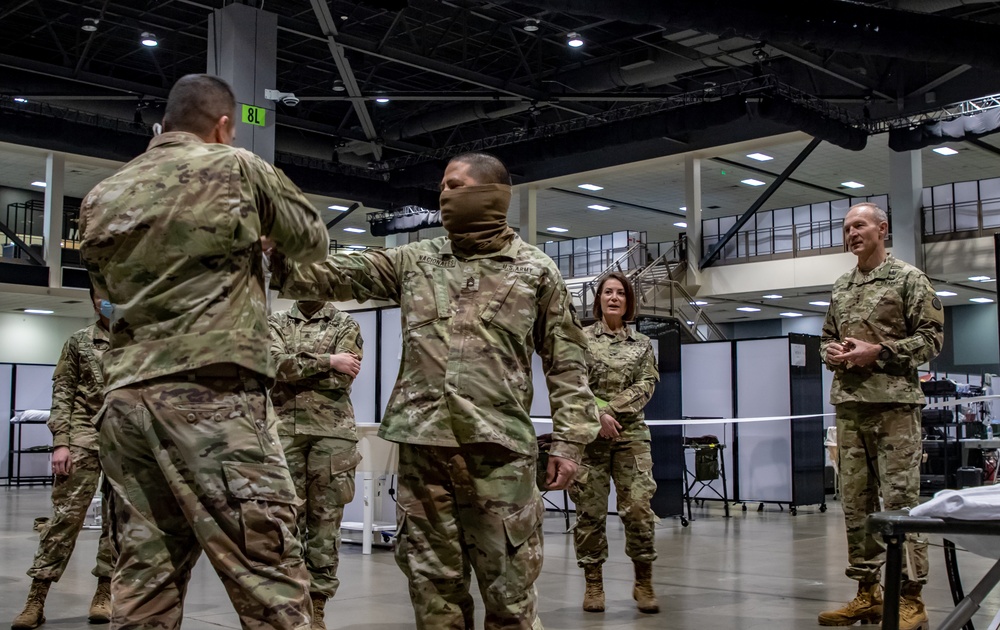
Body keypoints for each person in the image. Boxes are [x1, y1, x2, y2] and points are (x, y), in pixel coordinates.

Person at [271, 152, 599, 629]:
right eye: (442, 187)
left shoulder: (534, 271)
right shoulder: (415, 261)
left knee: (510, 594)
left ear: (491, 193)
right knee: (432, 593)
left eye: (454, 185)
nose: (443, 195)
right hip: (424, 456)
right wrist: (275, 247)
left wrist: (570, 443)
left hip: (498, 456)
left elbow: (568, 364)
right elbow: (333, 275)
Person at [79, 73, 329, 630]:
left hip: (124, 402)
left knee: (144, 577)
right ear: (223, 126)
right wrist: (263, 232)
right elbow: (312, 241)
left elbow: (102, 301)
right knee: (268, 573)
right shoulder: (236, 166)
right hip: (213, 398)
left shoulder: (102, 194)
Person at [818, 202, 944, 630]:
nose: (852, 233)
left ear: (882, 229)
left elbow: (931, 339)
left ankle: (912, 597)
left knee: (902, 504)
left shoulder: (910, 279)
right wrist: (831, 353)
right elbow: (827, 337)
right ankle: (866, 593)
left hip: (894, 408)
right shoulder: (840, 286)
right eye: (846, 227)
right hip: (850, 407)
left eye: (860, 225)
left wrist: (882, 351)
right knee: (856, 505)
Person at [12, 290, 115, 629]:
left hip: (128, 441)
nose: (109, 300)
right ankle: (36, 600)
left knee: (120, 524)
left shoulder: (142, 341)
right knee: (63, 521)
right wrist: (61, 443)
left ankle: (104, 594)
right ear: (93, 300)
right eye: (102, 295)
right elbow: (63, 393)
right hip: (84, 435)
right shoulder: (79, 341)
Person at [269, 301, 363, 630]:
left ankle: (318, 605)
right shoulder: (277, 321)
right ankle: (291, 602)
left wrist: (297, 370)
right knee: (284, 522)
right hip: (284, 431)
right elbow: (273, 366)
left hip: (332, 434)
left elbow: (342, 378)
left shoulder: (345, 322)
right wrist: (328, 361)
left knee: (325, 525)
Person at [569, 271, 660, 614]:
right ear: (598, 299)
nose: (613, 297)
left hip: (630, 436)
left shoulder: (641, 344)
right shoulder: (580, 338)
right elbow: (573, 383)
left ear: (628, 301)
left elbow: (647, 384)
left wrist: (612, 412)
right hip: (590, 438)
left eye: (620, 293)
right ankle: (594, 584)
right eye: (607, 292)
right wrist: (598, 415)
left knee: (638, 510)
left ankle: (644, 580)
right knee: (589, 513)